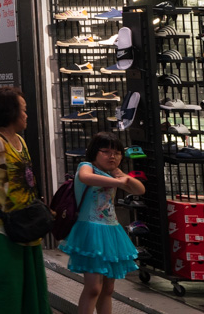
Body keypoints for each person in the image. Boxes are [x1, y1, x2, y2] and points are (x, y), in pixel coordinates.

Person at [0, 86, 51, 314]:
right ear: (10, 112)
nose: (26, 115)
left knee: (31, 283)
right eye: (23, 110)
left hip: (26, 226)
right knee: (9, 284)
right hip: (4, 226)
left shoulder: (20, 141)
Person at [59, 132, 143, 314]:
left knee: (108, 289)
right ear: (94, 152)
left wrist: (124, 177)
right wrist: (118, 181)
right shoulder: (87, 166)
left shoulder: (114, 173)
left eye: (117, 152)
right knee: (93, 288)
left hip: (112, 231)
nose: (112, 156)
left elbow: (140, 189)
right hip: (91, 230)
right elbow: (85, 177)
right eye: (105, 151)